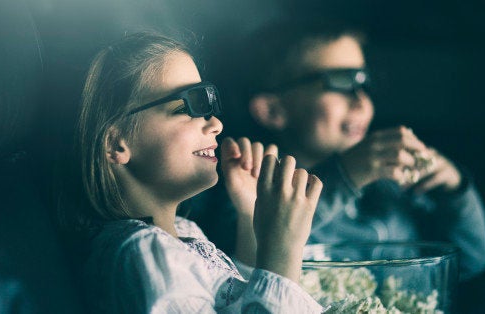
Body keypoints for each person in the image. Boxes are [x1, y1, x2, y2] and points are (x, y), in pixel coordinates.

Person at [191, 20, 485, 282]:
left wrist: (455, 192)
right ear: (273, 110)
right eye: (340, 81)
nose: (361, 100)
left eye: (364, 81)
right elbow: (239, 265)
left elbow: (470, 262)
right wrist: (345, 176)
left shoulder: (389, 184)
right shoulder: (251, 181)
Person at [69, 32, 324, 313]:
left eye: (208, 105)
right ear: (117, 142)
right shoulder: (144, 253)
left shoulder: (182, 232)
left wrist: (250, 215)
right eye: (189, 106)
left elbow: (236, 303)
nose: (215, 123)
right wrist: (282, 254)